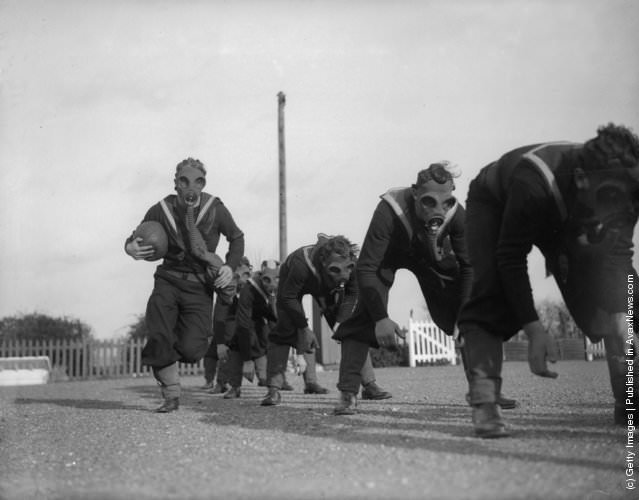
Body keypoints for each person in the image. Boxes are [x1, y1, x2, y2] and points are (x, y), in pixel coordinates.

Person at [457, 123, 639, 438]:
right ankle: (485, 399)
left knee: (620, 301)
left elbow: (619, 257)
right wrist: (534, 329)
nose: (617, 211)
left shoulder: (629, 185)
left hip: (567, 209)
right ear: (582, 179)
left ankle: (628, 399)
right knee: (491, 292)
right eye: (609, 197)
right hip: (497, 201)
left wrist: (625, 312)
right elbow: (510, 258)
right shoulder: (534, 183)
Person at [333, 162, 481, 415]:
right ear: (414, 193)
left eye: (445, 203)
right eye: (429, 202)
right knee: (363, 314)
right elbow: (367, 268)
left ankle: (483, 389)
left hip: (430, 257)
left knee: (471, 313)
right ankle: (347, 393)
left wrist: (466, 311)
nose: (439, 210)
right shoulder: (389, 210)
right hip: (387, 259)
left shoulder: (457, 214)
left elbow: (470, 266)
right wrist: (380, 317)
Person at [124, 157, 244, 413]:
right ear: (176, 183)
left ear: (203, 184)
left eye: (197, 181)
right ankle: (171, 394)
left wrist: (229, 267)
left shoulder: (215, 208)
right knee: (159, 334)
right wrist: (129, 246)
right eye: (184, 181)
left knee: (192, 350)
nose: (191, 187)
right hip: (168, 280)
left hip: (199, 286)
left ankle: (173, 342)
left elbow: (237, 237)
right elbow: (136, 236)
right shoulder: (161, 209)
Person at [261, 234, 390, 406]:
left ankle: (369, 384)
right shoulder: (300, 265)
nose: (344, 275)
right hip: (291, 290)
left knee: (353, 328)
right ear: (323, 263)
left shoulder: (352, 266)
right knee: (283, 330)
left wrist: (342, 322)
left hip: (328, 286)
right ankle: (273, 389)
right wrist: (303, 327)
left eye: (348, 268)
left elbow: (353, 293)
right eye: (335, 269)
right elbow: (288, 297)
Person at [222, 260, 280, 399]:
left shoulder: (284, 287)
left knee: (265, 357)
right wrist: (248, 360)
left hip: (263, 324)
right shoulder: (249, 289)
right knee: (236, 347)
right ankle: (235, 386)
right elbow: (243, 324)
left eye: (276, 279)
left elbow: (277, 316)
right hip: (246, 324)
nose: (271, 284)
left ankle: (272, 389)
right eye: (267, 279)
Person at [202, 257, 252, 394]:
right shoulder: (226, 287)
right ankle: (216, 382)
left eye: (245, 270)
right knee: (215, 352)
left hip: (245, 323)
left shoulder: (251, 287)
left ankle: (226, 383)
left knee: (233, 350)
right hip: (227, 322)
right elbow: (218, 315)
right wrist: (220, 341)